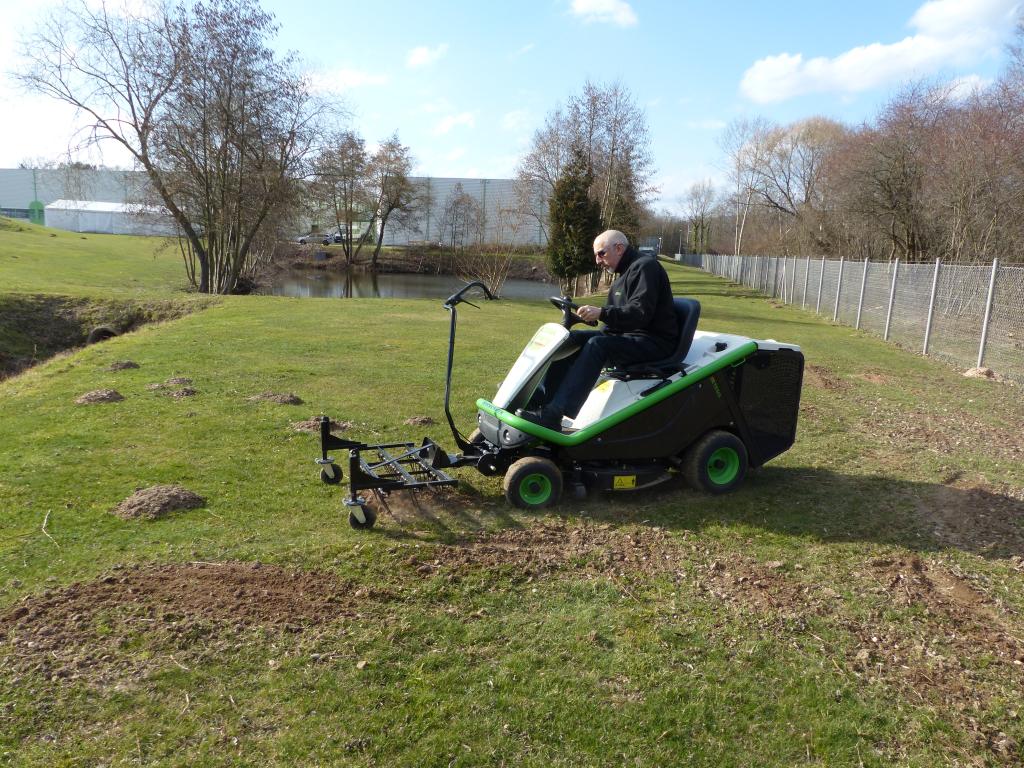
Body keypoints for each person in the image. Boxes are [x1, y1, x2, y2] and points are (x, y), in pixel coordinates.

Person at [518, 229, 679, 431]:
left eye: (601, 253)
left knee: (597, 345)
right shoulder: (622, 275)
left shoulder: (645, 267)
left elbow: (640, 313)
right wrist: (594, 319)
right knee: (572, 338)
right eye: (596, 255)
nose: (597, 260)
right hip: (630, 336)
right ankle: (537, 402)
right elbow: (615, 320)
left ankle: (554, 414)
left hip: (654, 342)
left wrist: (601, 313)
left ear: (619, 248)